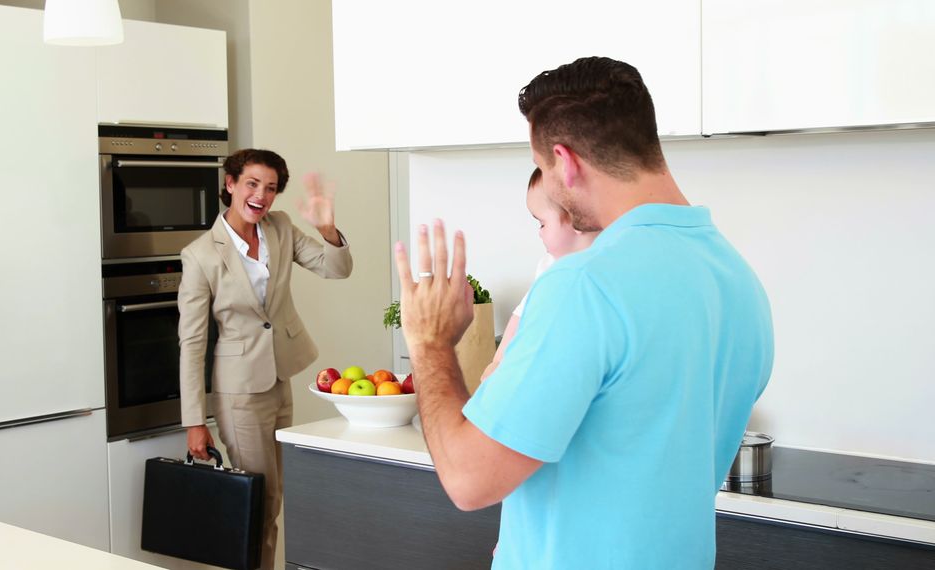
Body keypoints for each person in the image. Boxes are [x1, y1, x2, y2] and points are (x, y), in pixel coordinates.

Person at [394, 57, 774, 569]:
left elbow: (468, 479)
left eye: (545, 171)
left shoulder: (583, 285)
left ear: (564, 161)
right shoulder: (737, 279)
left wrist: (429, 343)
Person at [177, 148, 352, 570]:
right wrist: (195, 421)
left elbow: (337, 269)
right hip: (238, 390)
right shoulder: (201, 254)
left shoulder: (280, 229)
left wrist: (327, 228)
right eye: (252, 184)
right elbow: (192, 341)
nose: (261, 195)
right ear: (230, 184)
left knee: (271, 498)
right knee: (258, 500)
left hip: (278, 377)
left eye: (270, 188)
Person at [481, 167, 597, 380]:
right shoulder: (548, 266)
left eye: (542, 223)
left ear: (576, 219)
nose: (539, 232)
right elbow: (521, 315)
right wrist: (498, 362)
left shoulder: (604, 267)